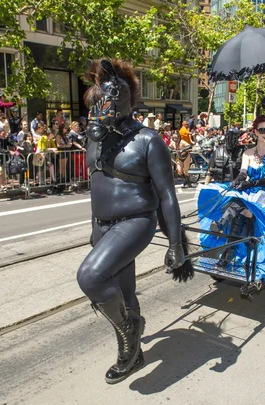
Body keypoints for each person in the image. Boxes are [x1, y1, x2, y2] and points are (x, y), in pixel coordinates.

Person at [76, 59, 187, 384]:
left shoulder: (148, 140)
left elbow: (167, 196)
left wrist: (176, 243)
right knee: (125, 295)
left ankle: (130, 330)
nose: (100, 107)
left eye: (107, 99)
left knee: (91, 277)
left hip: (136, 222)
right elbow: (97, 187)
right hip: (103, 226)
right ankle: (132, 353)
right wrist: (94, 229)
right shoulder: (95, 139)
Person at [197, 115, 265, 282]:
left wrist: (248, 185)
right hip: (250, 193)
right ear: (255, 132)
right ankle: (225, 242)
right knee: (238, 204)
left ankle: (223, 232)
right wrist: (236, 182)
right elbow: (243, 173)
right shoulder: (247, 153)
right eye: (262, 130)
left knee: (242, 206)